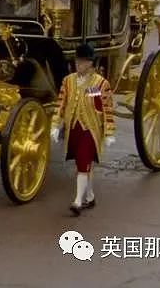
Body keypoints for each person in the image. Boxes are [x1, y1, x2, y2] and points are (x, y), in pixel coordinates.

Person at [50, 43, 115, 216]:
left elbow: (105, 107)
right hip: (73, 128)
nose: (79, 64)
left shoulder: (100, 84)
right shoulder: (68, 81)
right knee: (84, 164)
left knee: (82, 161)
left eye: (83, 62)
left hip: (91, 129)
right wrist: (56, 125)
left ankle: (78, 201)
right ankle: (90, 196)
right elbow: (61, 104)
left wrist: (109, 132)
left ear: (90, 64)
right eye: (77, 61)